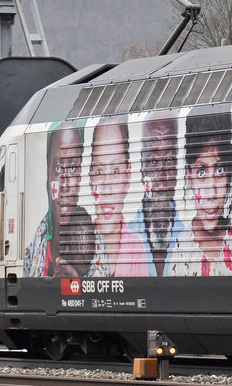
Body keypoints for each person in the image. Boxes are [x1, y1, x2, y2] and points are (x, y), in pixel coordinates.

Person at [166, 109, 232, 276]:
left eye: (220, 169)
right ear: (189, 175)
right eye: (201, 172)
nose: (211, 193)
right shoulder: (180, 249)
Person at [23, 121, 98, 277]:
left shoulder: (99, 251)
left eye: (72, 168)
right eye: (57, 167)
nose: (64, 185)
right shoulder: (33, 248)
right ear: (48, 175)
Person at [87, 116, 156, 277]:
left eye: (116, 171)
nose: (107, 189)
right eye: (99, 171)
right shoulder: (77, 245)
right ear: (90, 178)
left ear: (127, 176)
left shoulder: (137, 249)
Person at [127, 115, 188, 276]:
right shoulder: (124, 240)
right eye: (153, 161)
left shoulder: (190, 240)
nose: (162, 178)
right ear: (142, 167)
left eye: (169, 160)